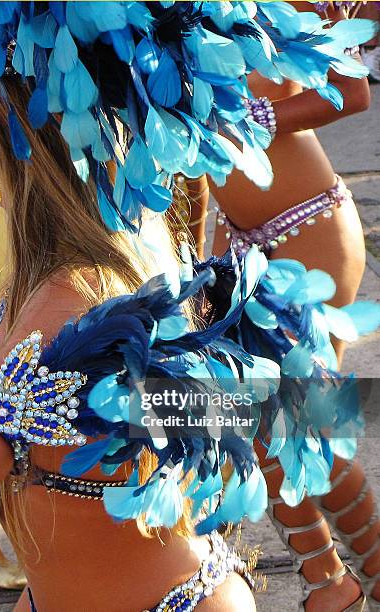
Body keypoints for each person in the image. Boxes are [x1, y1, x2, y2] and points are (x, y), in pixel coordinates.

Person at [0, 3, 378, 611]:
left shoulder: (67, 310)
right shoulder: (62, 287)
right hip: (193, 241)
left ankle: (341, 574)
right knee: (255, 411)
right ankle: (333, 574)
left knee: (287, 414)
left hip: (303, 227)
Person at [207, 3, 380, 610]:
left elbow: (350, 93)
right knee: (261, 422)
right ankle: (328, 580)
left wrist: (251, 117)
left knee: (306, 421)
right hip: (240, 241)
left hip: (312, 231)